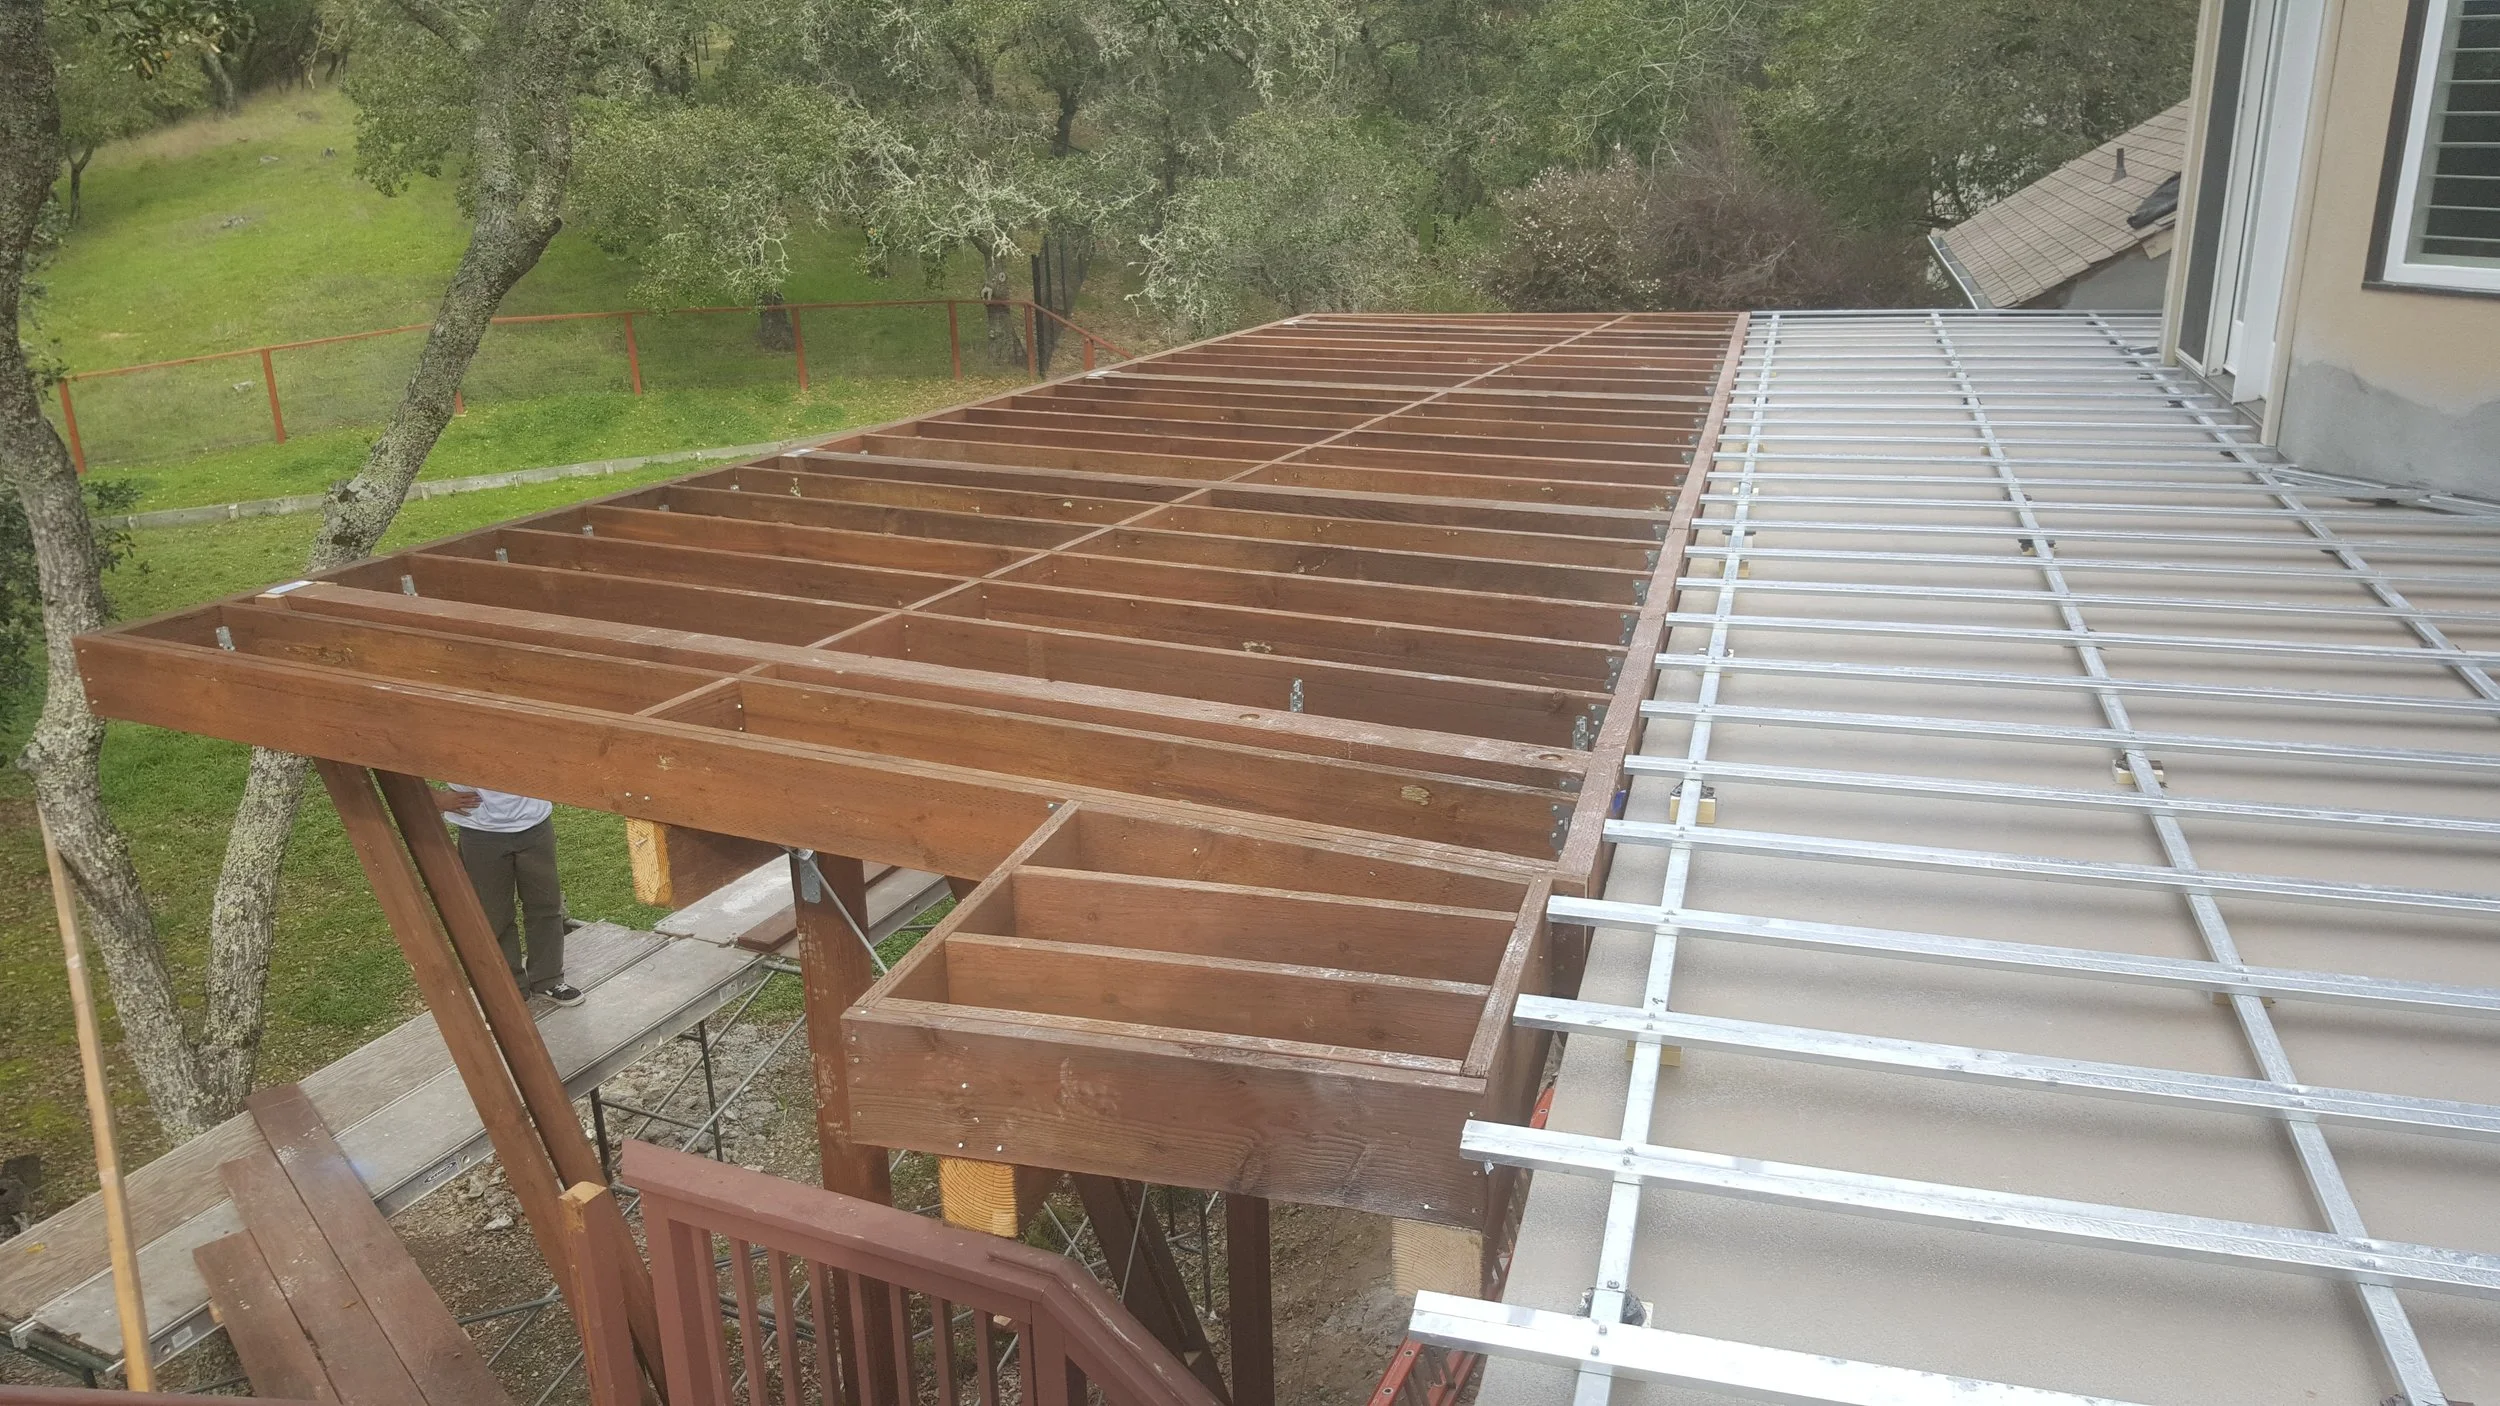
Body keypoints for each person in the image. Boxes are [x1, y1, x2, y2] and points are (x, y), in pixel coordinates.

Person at [434, 784, 581, 1006]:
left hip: (535, 824)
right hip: (480, 832)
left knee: (546, 905)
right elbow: (395, 761)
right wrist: (435, 797)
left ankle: (547, 979)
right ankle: (512, 988)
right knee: (493, 915)